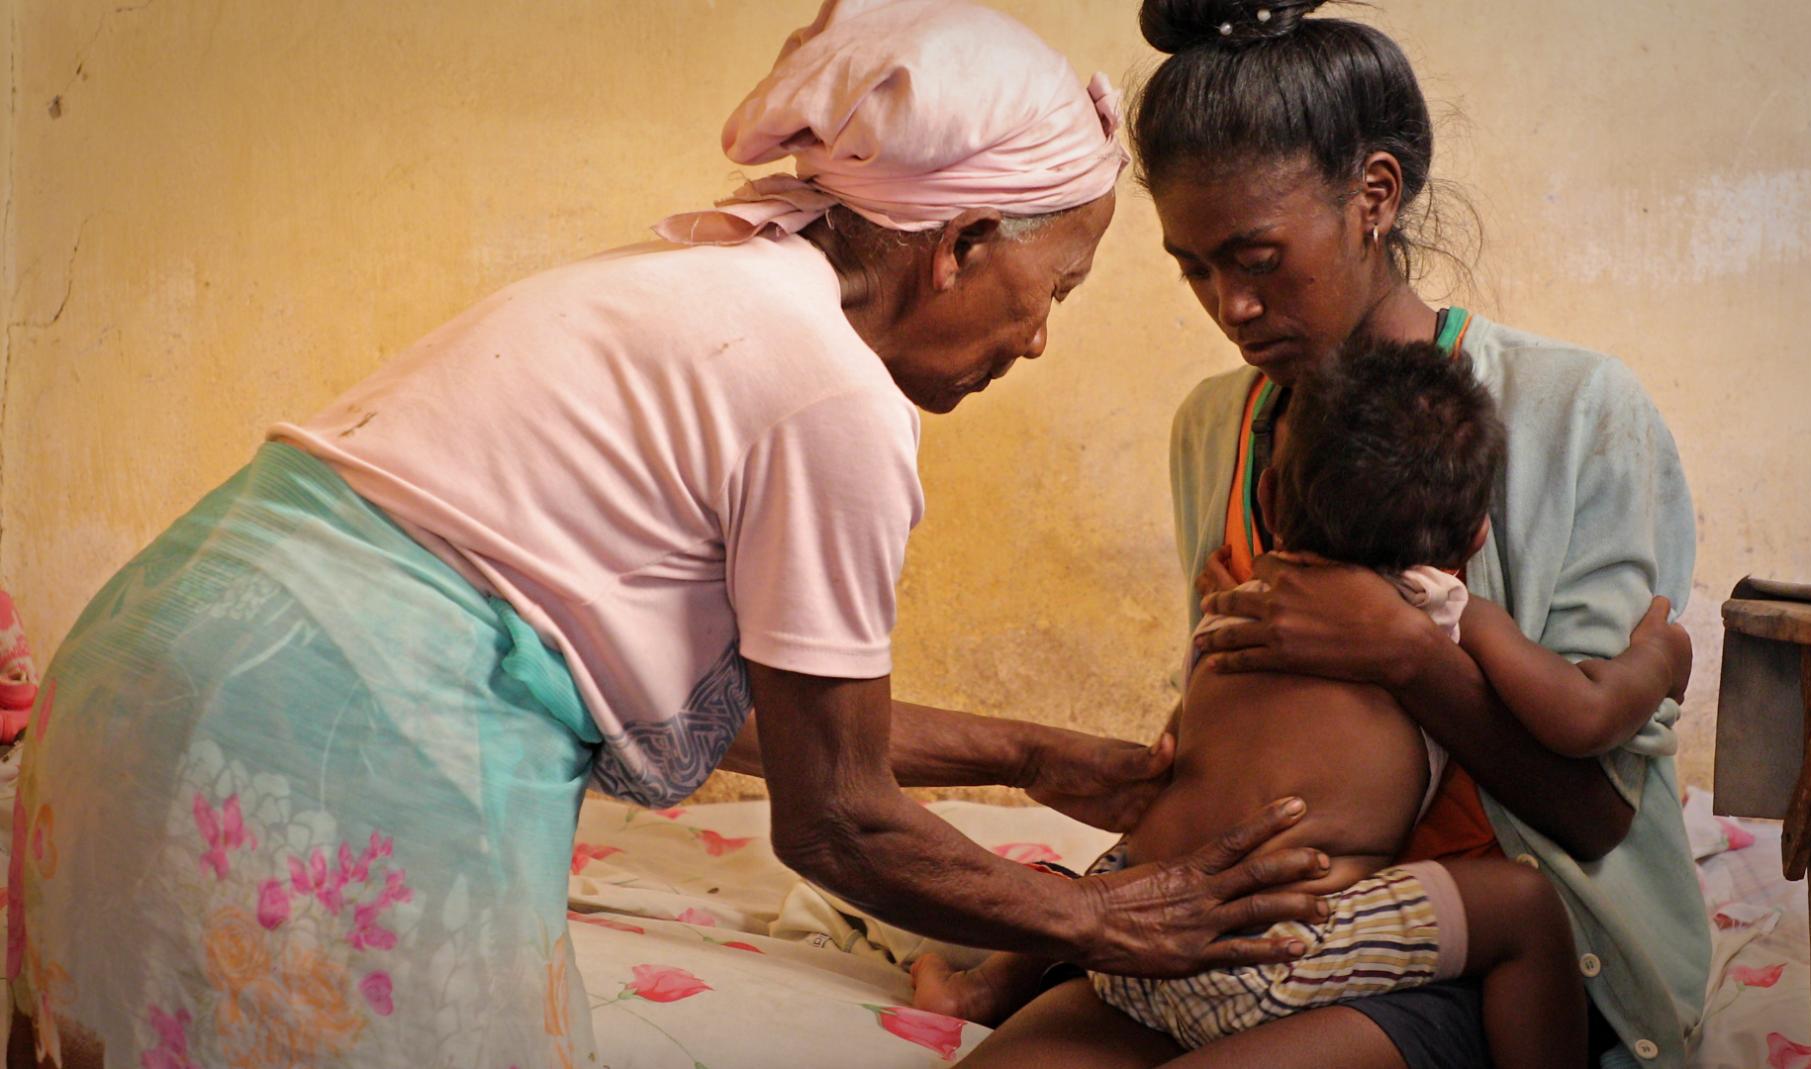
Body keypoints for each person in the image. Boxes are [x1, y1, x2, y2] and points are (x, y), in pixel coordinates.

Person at [7, 3, 1336, 1065]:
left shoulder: (714, 296)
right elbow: (840, 823)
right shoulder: (827, 392)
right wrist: (1102, 917)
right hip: (321, 736)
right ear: (961, 244)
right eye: (1055, 290)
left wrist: (1046, 760)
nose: (1039, 336)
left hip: (148, 679)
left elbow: (687, 695)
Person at [959, 2, 1710, 1067]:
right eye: (1195, 268)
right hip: (1246, 930)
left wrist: (1403, 653)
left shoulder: (1577, 411)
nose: (1231, 304)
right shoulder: (1217, 426)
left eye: (1257, 257)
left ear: (1374, 196)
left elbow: (1591, 817)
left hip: (1472, 954)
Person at [916, 340, 1693, 1069]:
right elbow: (1585, 716)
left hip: (1129, 939)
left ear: (1267, 495)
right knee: (1524, 906)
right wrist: (1658, 658)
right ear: (1475, 535)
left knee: (1142, 841)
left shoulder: (1239, 604)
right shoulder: (1432, 606)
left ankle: (988, 983)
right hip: (1272, 962)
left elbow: (1182, 755)